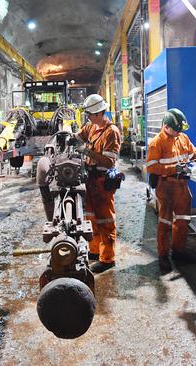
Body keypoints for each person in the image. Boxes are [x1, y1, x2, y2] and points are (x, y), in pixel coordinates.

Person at [146, 108, 196, 272]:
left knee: (182, 220)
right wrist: (173, 169)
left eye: (179, 130)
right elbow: (151, 166)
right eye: (175, 130)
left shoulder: (182, 137)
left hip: (182, 186)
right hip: (166, 186)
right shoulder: (157, 142)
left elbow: (192, 153)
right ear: (166, 126)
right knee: (165, 223)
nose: (177, 133)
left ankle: (178, 252)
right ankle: (163, 256)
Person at [74, 94, 122, 273]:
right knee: (91, 218)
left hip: (102, 181)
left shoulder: (111, 132)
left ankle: (108, 259)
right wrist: (69, 138)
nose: (88, 118)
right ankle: (95, 251)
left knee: (105, 220)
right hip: (91, 180)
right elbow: (79, 136)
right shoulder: (92, 126)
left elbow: (108, 162)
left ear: (100, 113)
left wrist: (86, 151)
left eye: (91, 114)